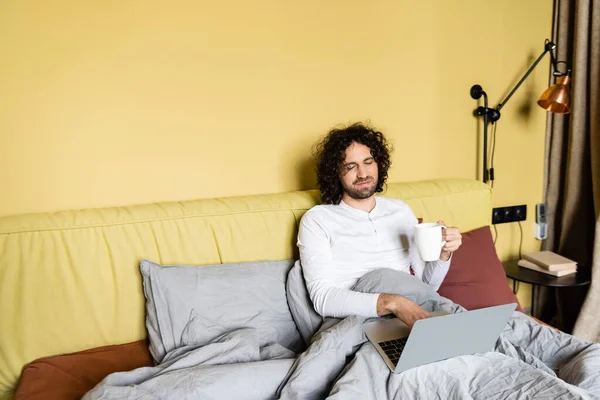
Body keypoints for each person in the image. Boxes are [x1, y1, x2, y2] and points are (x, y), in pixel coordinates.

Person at [297, 122, 463, 328]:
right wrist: (392, 303)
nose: (363, 173)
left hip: (410, 312)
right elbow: (323, 299)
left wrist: (443, 254)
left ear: (379, 164)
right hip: (362, 321)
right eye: (350, 166)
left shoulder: (400, 211)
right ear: (335, 172)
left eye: (368, 162)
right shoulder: (318, 220)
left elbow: (427, 288)